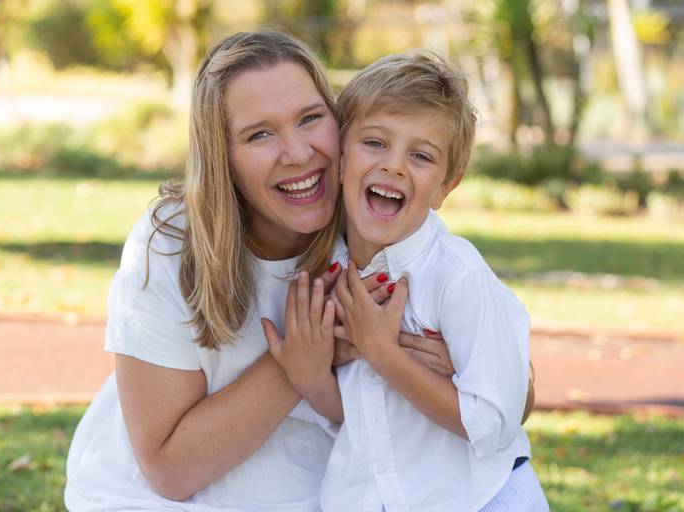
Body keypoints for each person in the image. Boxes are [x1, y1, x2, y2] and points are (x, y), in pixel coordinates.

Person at [64, 31, 457, 511]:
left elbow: (513, 393)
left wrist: (453, 365)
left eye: (311, 119)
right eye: (260, 134)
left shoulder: (376, 218)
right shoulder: (171, 244)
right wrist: (306, 355)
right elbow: (168, 470)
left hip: (318, 492)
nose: (296, 153)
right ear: (222, 158)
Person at [263, 52, 548, 511]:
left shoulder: (457, 279)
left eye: (420, 155)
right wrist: (308, 376)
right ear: (339, 159)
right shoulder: (326, 271)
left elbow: (493, 424)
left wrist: (381, 351)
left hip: (483, 499)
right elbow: (360, 413)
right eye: (375, 143)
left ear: (444, 187)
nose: (394, 165)